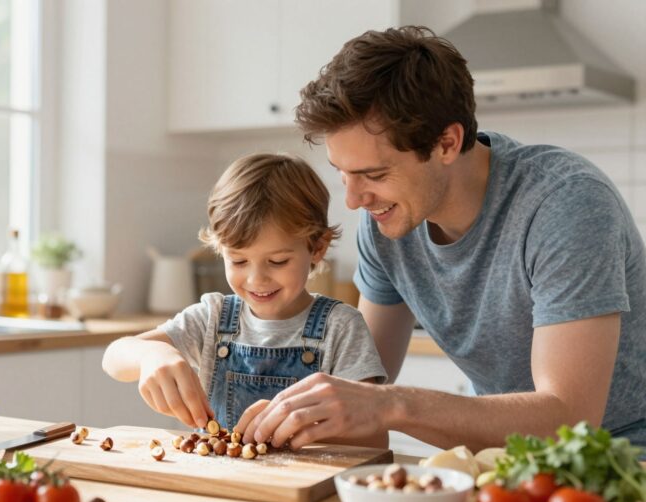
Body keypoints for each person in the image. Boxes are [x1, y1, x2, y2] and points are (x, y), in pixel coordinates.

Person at [238, 26, 646, 454]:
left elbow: (570, 417)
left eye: (374, 175)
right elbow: (364, 381)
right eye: (343, 174)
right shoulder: (387, 224)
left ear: (447, 143)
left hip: (622, 466)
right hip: (506, 466)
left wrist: (390, 406)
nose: (355, 200)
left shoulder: (565, 204)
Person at [102, 153, 388, 448]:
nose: (256, 279)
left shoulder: (341, 327)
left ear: (317, 247)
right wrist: (151, 355)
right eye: (238, 261)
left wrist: (308, 425)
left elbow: (374, 438)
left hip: (306, 487)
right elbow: (113, 357)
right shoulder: (212, 317)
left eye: (277, 261)